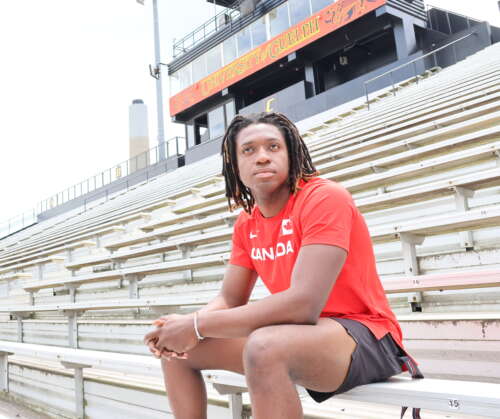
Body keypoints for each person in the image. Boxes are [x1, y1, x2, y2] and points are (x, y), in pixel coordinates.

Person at [144, 112, 422, 419]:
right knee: (178, 351)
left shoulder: (324, 197)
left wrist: (196, 325)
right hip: (298, 336)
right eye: (249, 150)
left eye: (273, 147)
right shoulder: (246, 223)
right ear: (235, 166)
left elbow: (303, 304)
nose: (262, 157)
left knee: (265, 346)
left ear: (291, 155)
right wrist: (181, 327)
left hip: (367, 337)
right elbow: (229, 299)